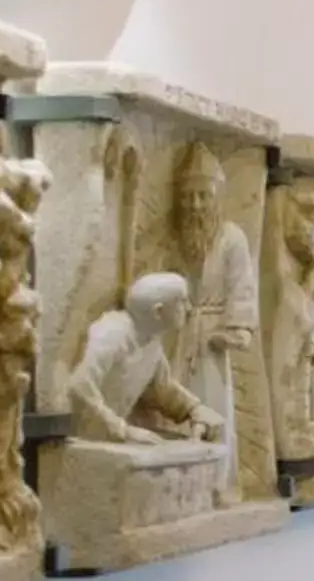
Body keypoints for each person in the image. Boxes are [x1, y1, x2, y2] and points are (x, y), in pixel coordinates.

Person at [168, 143, 257, 502]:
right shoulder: (177, 239)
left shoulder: (232, 238)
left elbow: (242, 289)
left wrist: (233, 331)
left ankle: (220, 482)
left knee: (215, 410)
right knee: (178, 411)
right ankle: (183, 485)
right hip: (179, 338)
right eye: (189, 197)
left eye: (203, 196)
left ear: (218, 197)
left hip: (213, 342)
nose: (195, 205)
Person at [64, 273, 222, 446]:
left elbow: (162, 388)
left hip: (108, 440)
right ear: (158, 312)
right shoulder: (113, 334)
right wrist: (122, 429)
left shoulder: (150, 340)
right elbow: (79, 385)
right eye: (182, 302)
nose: (189, 308)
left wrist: (194, 409)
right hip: (82, 441)